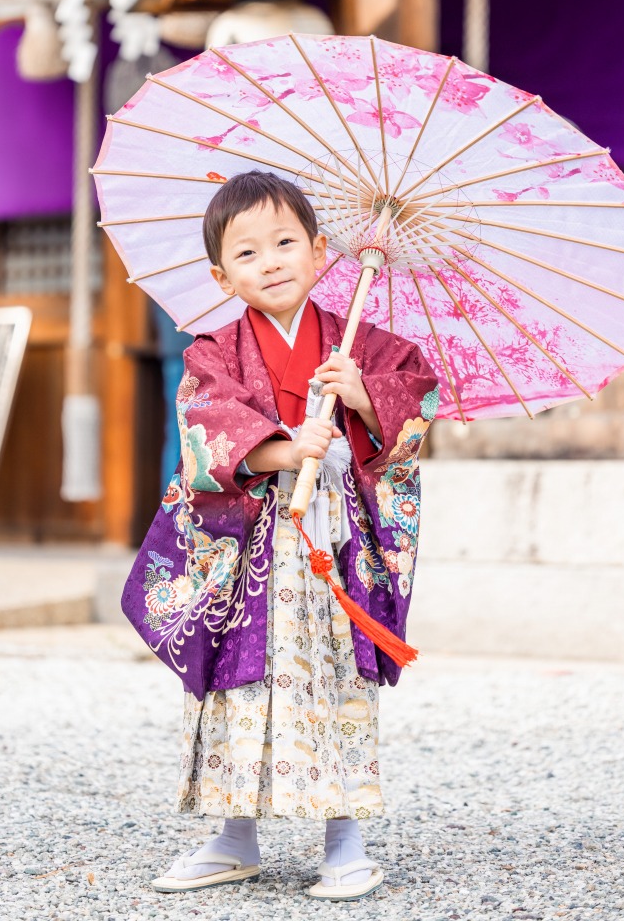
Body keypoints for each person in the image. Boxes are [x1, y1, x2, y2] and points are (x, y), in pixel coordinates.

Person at [121, 170, 438, 900]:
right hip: (248, 551)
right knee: (236, 687)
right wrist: (279, 450)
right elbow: (203, 431)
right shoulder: (213, 353)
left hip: (335, 544)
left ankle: (345, 842)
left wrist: (360, 393)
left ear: (322, 251)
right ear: (220, 276)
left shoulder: (367, 345)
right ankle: (234, 836)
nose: (270, 261)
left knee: (334, 677)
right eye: (247, 253)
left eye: (286, 242)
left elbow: (412, 410)